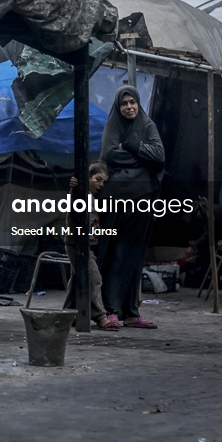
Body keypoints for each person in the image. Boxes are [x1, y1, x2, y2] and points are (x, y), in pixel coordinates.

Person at [96, 85, 166, 329]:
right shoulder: (113, 125)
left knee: (135, 256)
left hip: (143, 201)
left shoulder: (148, 126)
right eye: (124, 103)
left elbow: (159, 156)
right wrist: (142, 163)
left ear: (138, 103)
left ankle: (131, 312)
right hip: (116, 202)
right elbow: (109, 154)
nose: (129, 107)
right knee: (114, 253)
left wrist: (133, 146)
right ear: (118, 106)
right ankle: (109, 309)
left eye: (132, 102)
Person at [63, 162, 118, 330]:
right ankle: (100, 316)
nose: (101, 184)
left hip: (88, 243)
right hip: (77, 244)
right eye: (98, 179)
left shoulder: (93, 197)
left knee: (77, 279)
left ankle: (67, 315)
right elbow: (74, 201)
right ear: (87, 178)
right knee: (94, 278)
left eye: (104, 182)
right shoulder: (80, 194)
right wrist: (75, 187)